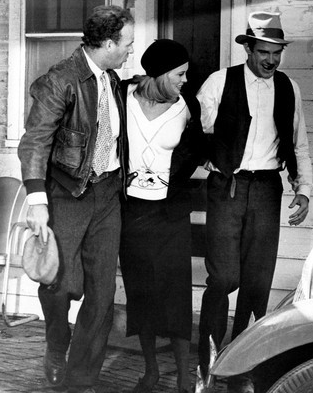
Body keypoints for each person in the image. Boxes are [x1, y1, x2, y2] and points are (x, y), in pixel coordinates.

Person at [17, 5, 134, 393]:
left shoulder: (112, 80)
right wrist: (37, 200)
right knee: (59, 284)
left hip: (107, 195)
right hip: (67, 194)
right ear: (107, 43)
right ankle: (56, 343)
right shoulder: (60, 80)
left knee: (101, 294)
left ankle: (81, 380)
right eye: (127, 43)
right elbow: (35, 142)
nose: (130, 50)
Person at [196, 11, 313, 393]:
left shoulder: (288, 87)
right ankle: (206, 365)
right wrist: (208, 159)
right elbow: (193, 130)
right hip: (227, 187)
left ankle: (241, 370)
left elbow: (299, 143)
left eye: (277, 53)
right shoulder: (219, 82)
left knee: (257, 283)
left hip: (266, 189)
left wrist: (303, 188)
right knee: (223, 278)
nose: (271, 60)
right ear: (248, 49)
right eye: (264, 52)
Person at [119, 39, 206, 393]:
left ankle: (184, 377)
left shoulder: (187, 106)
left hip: (170, 215)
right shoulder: (123, 97)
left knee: (176, 294)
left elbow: (198, 149)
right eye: (179, 74)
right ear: (158, 73)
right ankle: (151, 371)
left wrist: (177, 174)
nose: (185, 80)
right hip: (132, 212)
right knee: (141, 293)